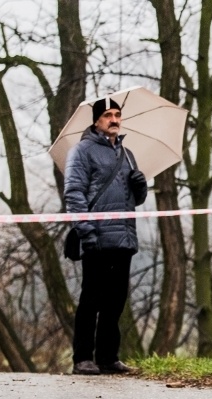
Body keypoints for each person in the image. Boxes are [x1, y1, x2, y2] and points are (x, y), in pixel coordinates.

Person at [63, 97, 148, 375]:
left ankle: (108, 357)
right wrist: (86, 230)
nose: (114, 119)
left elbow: (136, 199)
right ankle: (82, 358)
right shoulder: (82, 152)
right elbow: (74, 193)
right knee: (91, 300)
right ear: (96, 121)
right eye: (108, 115)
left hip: (124, 238)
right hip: (96, 237)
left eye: (117, 114)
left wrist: (141, 186)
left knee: (116, 301)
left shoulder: (127, 154)